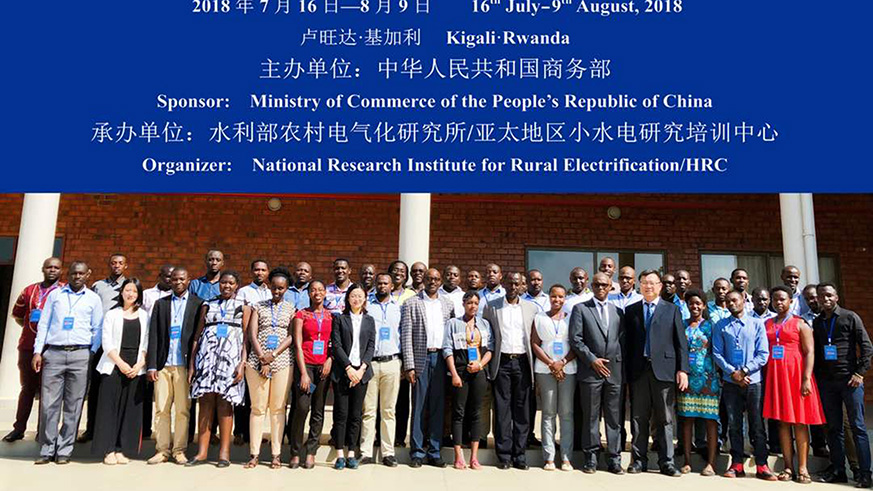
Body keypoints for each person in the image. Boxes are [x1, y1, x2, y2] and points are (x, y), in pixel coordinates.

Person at [32, 261, 103, 465]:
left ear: (88, 275)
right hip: (54, 353)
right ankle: (47, 449)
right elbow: (44, 324)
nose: (77, 276)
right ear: (68, 274)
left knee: (74, 404)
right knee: (48, 404)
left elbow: (97, 329)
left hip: (80, 354)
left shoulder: (93, 299)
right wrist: (38, 351)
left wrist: (90, 352)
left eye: (81, 273)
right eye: (73, 273)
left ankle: (64, 450)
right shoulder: (56, 295)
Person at [624, 270, 688, 477]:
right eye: (644, 283)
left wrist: (683, 370)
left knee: (665, 419)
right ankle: (638, 460)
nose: (648, 286)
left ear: (660, 286)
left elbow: (681, 344)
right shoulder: (631, 310)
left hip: (665, 372)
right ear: (639, 286)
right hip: (639, 372)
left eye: (652, 283)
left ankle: (666, 462)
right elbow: (627, 344)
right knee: (638, 418)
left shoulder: (672, 310)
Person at [762, 286, 825, 484]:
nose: (778, 303)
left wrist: (806, 378)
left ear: (790, 301)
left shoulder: (801, 324)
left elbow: (809, 352)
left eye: (782, 299)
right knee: (782, 422)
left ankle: (803, 468)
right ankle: (788, 467)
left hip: (796, 376)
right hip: (776, 377)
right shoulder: (767, 324)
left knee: (799, 422)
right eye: (775, 300)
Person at [186, 271, 250, 468]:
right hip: (207, 358)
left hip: (230, 360)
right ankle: (202, 452)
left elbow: (247, 338)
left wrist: (242, 363)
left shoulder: (244, 306)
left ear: (237, 285)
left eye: (231, 283)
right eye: (223, 283)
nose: (226, 286)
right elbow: (197, 335)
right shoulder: (208, 304)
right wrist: (192, 364)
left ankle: (224, 453)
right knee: (205, 402)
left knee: (225, 403)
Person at [812, 283, 872, 488]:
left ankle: (865, 474)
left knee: (858, 427)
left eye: (829, 295)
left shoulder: (850, 317)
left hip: (850, 381)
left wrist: (859, 373)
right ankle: (838, 470)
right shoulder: (818, 322)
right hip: (827, 383)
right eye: (821, 296)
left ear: (836, 297)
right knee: (833, 428)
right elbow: (818, 353)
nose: (825, 299)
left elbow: (866, 347)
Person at [712, 291, 776, 480]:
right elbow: (717, 353)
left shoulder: (756, 324)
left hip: (753, 382)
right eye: (729, 301)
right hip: (731, 383)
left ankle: (762, 465)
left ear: (743, 301)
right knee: (734, 424)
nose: (732, 303)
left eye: (735, 300)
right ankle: (737, 463)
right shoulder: (720, 325)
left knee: (757, 424)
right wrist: (734, 372)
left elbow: (763, 353)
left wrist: (745, 370)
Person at [146, 267, 203, 465]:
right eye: (174, 279)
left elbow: (198, 338)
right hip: (162, 365)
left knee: (182, 410)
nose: (178, 282)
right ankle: (162, 450)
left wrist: (194, 367)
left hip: (183, 366)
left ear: (189, 281)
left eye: (182, 279)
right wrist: (151, 365)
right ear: (170, 281)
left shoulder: (197, 304)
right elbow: (153, 335)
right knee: (161, 409)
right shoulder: (161, 304)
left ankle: (179, 450)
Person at [4, 257, 64, 443]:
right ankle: (19, 428)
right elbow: (18, 316)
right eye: (49, 267)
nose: (52, 270)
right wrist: (33, 329)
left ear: (61, 271)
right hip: (28, 347)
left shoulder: (64, 291)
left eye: (56, 268)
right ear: (43, 269)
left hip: (52, 349)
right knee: (27, 388)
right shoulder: (30, 291)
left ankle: (43, 431)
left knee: (48, 392)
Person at [401, 268, 456, 468]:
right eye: (429, 278)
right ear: (423, 280)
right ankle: (416, 451)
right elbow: (406, 336)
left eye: (436, 278)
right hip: (420, 359)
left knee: (438, 406)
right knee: (419, 406)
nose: (432, 281)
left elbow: (451, 334)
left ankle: (434, 451)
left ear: (440, 281)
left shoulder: (447, 305)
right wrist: (409, 365)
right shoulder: (411, 303)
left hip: (441, 358)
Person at [483, 272, 538, 470]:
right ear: (504, 284)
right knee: (502, 410)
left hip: (523, 362)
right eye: (510, 283)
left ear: (522, 286)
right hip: (502, 362)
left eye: (517, 283)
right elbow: (487, 336)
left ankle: (520, 454)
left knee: (522, 410)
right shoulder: (492, 306)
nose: (514, 286)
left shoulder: (531, 308)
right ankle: (504, 455)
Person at [570, 274, 624, 474]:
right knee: (591, 417)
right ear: (591, 287)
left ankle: (614, 458)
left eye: (604, 285)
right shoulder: (581, 309)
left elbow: (621, 341)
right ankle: (591, 458)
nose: (600, 287)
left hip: (614, 373)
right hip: (590, 371)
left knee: (614, 418)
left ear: (610, 287)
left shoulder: (618, 311)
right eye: (597, 284)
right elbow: (575, 339)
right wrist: (592, 360)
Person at [243, 267, 295, 470]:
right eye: (274, 287)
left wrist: (272, 356)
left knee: (278, 409)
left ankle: (276, 454)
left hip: (282, 362)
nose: (277, 291)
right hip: (257, 363)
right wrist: (263, 359)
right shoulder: (258, 306)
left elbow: (291, 336)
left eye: (281, 288)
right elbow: (252, 334)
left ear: (287, 288)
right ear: (269, 287)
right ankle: (254, 454)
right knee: (257, 409)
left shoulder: (291, 309)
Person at [93, 278, 149, 464]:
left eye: (134, 291)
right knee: (110, 408)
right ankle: (108, 449)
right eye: (127, 290)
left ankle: (121, 449)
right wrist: (121, 364)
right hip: (114, 365)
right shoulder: (112, 314)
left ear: (138, 294)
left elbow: (147, 342)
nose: (130, 294)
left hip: (136, 367)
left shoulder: (144, 315)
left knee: (129, 410)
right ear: (122, 292)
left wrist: (140, 363)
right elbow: (106, 342)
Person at [80, 253, 129, 444]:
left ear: (126, 266)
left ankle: (115, 431)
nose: (117, 266)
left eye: (120, 263)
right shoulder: (98, 286)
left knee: (117, 388)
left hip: (121, 343)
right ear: (109, 265)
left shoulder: (129, 286)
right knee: (96, 388)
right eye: (113, 263)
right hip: (101, 342)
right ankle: (91, 428)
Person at [443, 291, 492, 470]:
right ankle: (458, 456)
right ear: (463, 304)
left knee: (476, 413)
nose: (473, 306)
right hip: (460, 371)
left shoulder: (484, 324)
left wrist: (480, 365)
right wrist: (454, 374)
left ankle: (474, 457)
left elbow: (489, 349)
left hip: (478, 370)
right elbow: (447, 350)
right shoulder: (453, 324)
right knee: (458, 413)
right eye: (469, 302)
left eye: (475, 303)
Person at [330, 284, 376, 470]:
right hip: (343, 372)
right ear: (348, 299)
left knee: (356, 415)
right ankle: (340, 453)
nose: (356, 299)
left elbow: (371, 346)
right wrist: (349, 368)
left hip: (362, 373)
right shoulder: (340, 319)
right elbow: (336, 344)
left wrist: (362, 368)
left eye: (360, 296)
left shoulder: (369, 320)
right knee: (341, 414)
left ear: (365, 299)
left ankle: (351, 453)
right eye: (353, 296)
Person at [288, 280, 333, 469]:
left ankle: (311, 451)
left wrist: (329, 360)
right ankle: (295, 451)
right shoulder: (301, 314)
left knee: (318, 409)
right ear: (308, 293)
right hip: (305, 366)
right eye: (313, 290)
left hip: (323, 367)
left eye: (320, 290)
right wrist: (304, 373)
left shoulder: (331, 316)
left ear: (325, 293)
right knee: (302, 407)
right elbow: (297, 344)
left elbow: (333, 342)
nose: (317, 293)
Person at [676, 289, 720, 476]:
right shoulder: (682, 325)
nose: (694, 306)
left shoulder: (711, 326)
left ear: (703, 305)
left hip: (708, 379)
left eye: (698, 303)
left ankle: (710, 463)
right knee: (687, 420)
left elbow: (716, 351)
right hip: (686, 379)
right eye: (691, 303)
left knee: (710, 421)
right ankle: (687, 461)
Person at [360, 273, 403, 467]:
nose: (382, 286)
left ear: (392, 285)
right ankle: (365, 452)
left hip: (392, 362)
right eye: (379, 283)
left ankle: (388, 452)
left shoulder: (399, 308)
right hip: (370, 363)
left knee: (388, 411)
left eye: (386, 283)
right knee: (368, 410)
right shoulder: (367, 307)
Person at [534, 284, 577, 471]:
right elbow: (535, 344)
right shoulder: (539, 318)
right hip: (545, 370)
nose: (557, 300)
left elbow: (577, 344)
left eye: (560, 297)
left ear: (565, 298)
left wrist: (562, 363)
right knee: (548, 413)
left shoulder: (572, 319)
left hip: (569, 370)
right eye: (553, 296)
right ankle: (549, 457)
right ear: (549, 298)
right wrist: (552, 363)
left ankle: (566, 457)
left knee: (566, 413)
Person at [388, 259, 416, 447]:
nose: (398, 273)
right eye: (395, 270)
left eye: (402, 271)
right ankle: (380, 436)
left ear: (406, 276)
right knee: (385, 399)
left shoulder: (411, 295)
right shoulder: (379, 293)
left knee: (402, 399)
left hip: (403, 351)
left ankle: (399, 437)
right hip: (385, 351)